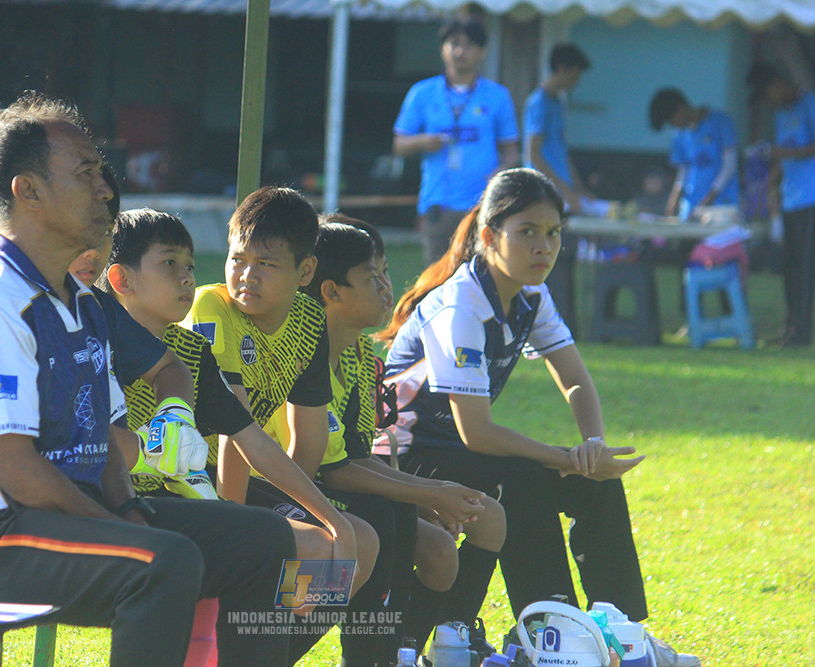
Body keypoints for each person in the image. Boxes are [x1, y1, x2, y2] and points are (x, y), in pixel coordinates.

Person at [0, 91, 296, 667]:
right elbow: (13, 468)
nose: (105, 190)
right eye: (86, 173)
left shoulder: (83, 304)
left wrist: (129, 508)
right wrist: (121, 525)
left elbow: (110, 437)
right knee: (166, 562)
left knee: (275, 545)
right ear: (28, 191)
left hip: (65, 513)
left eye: (101, 173)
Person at [376, 168, 700, 667]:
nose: (543, 247)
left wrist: (591, 448)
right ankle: (552, 631)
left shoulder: (532, 295)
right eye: (526, 232)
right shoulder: (460, 306)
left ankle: (617, 624)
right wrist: (566, 455)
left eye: (553, 233)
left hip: (457, 452)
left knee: (594, 482)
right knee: (522, 476)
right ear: (488, 237)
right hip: (404, 460)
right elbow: (478, 433)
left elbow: (574, 379)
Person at [183, 186, 423, 666]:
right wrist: (252, 528)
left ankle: (267, 652)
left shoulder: (309, 321)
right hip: (195, 477)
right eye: (237, 259)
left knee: (360, 544)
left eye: (267, 264)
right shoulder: (212, 308)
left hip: (253, 476)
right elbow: (234, 435)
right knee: (319, 544)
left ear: (305, 271)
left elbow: (308, 441)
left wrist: (319, 516)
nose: (246, 276)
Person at [85, 206, 359, 578]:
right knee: (294, 545)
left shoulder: (191, 352)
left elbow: (249, 436)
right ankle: (246, 634)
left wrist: (332, 518)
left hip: (177, 500)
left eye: (190, 266)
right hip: (114, 503)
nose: (186, 278)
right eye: (169, 264)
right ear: (121, 280)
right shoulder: (95, 342)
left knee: (345, 540)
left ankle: (288, 636)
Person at [303, 214, 506, 660]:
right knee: (384, 513)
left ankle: (405, 649)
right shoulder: (304, 353)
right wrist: (430, 492)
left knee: (440, 549)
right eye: (371, 276)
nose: (386, 287)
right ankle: (372, 654)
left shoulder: (357, 354)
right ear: (331, 291)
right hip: (304, 494)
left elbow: (357, 454)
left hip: (337, 488)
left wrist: (431, 494)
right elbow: (333, 472)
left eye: (386, 272)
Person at [393, 15, 520, 265]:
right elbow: (399, 145)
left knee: (481, 275)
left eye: (469, 45)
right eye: (453, 43)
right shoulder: (422, 93)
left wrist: (500, 174)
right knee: (437, 280)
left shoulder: (497, 96)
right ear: (443, 49)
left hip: (482, 204)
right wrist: (423, 141)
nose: (460, 51)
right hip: (438, 204)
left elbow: (511, 151)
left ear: (482, 51)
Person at [747, 62, 815, 347]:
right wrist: (769, 183)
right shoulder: (781, 116)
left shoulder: (809, 103)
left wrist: (783, 152)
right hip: (791, 198)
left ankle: (802, 330)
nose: (770, 104)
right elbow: (783, 156)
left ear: (777, 83)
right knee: (790, 267)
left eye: (767, 97)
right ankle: (790, 327)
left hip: (811, 197)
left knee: (806, 266)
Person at [648, 88, 740, 219]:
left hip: (722, 207)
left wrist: (707, 202)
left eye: (672, 119)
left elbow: (730, 166)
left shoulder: (721, 121)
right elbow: (683, 169)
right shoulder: (679, 134)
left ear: (681, 108)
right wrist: (674, 198)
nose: (673, 125)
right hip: (691, 207)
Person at [523, 42, 593, 213]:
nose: (576, 81)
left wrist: (578, 188)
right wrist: (565, 191)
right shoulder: (539, 103)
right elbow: (533, 154)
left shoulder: (557, 102)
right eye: (575, 75)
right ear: (562, 69)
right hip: (542, 192)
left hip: (562, 193)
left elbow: (561, 151)